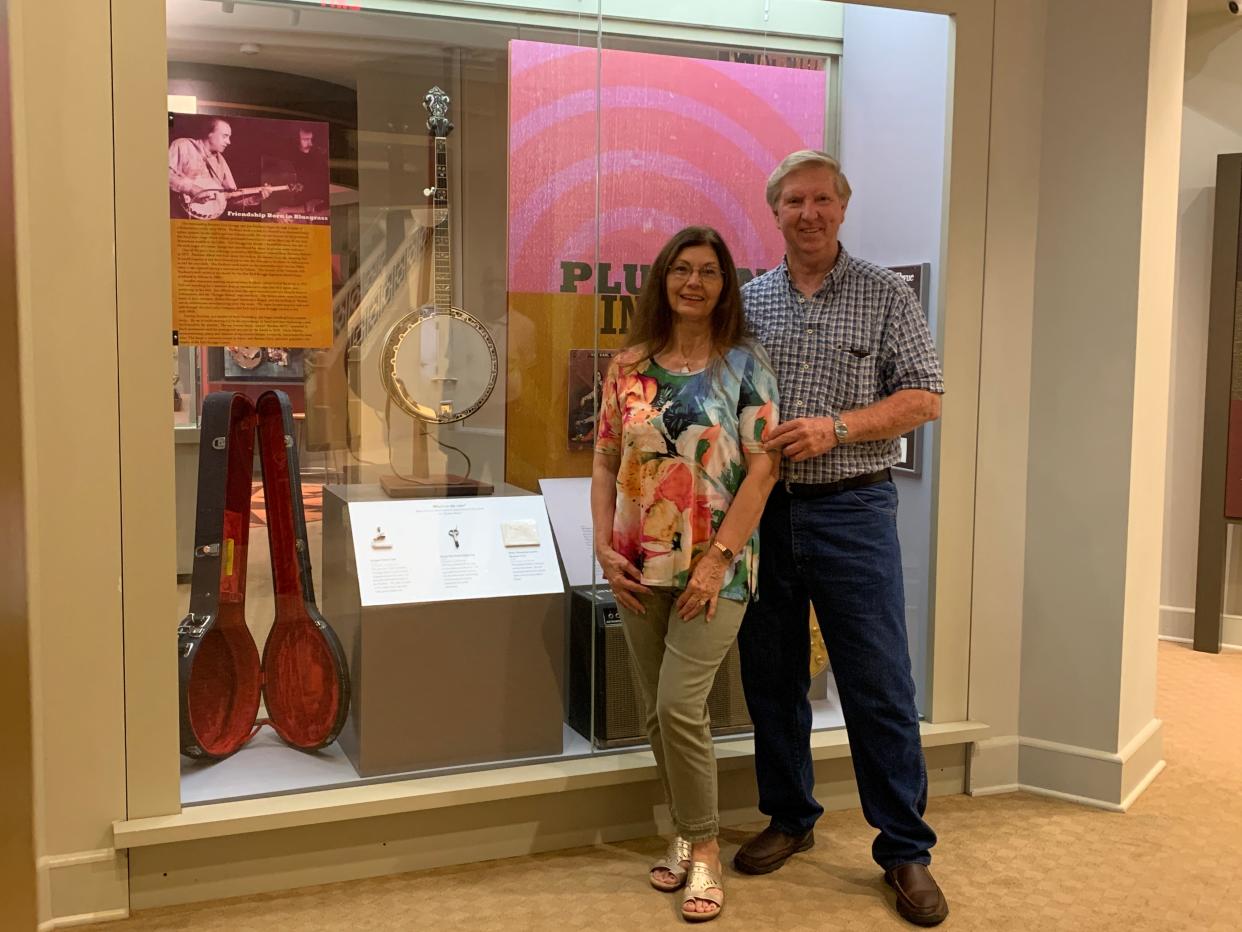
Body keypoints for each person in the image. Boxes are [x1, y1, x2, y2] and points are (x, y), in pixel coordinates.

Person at [734, 150, 949, 927]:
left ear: (843, 208)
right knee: (773, 676)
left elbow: (926, 397)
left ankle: (904, 848)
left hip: (855, 510)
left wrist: (838, 428)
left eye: (822, 199)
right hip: (765, 513)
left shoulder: (888, 294)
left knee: (878, 682)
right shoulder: (751, 301)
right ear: (776, 213)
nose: (809, 212)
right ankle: (790, 816)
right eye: (794, 201)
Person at [592, 226, 781, 923]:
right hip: (639, 562)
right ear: (663, 281)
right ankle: (682, 829)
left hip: (718, 563)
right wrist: (604, 547)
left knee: (680, 705)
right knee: (654, 712)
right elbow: (606, 461)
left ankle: (703, 848)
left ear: (726, 285)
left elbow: (763, 469)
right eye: (681, 269)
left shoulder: (745, 365)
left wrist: (720, 558)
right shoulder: (629, 365)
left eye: (708, 271)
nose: (693, 282)